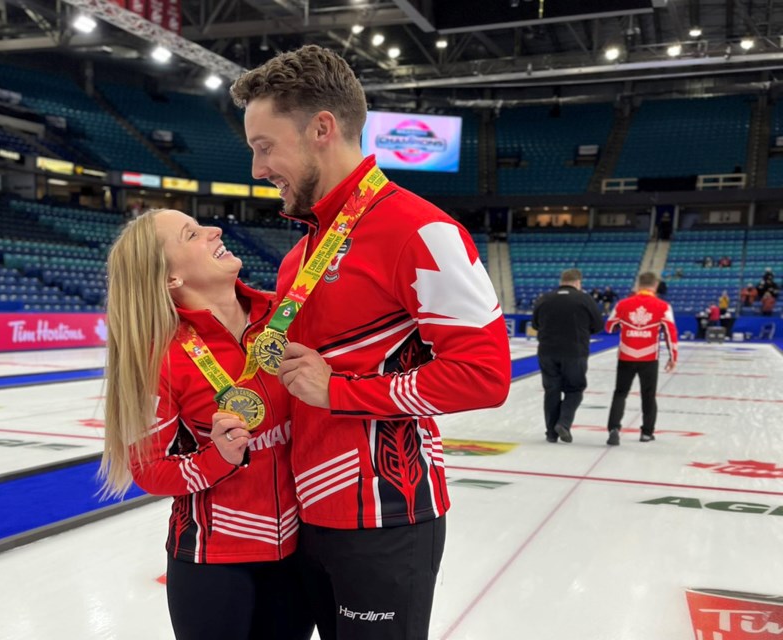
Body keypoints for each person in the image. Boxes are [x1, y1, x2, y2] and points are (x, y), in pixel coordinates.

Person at [230, 44, 511, 640]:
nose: (257, 169)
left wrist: (343, 392)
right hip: (305, 516)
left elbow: (486, 376)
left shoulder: (422, 231)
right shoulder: (300, 253)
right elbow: (299, 376)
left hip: (388, 517)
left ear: (322, 130)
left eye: (264, 146)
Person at [98, 210, 313, 640]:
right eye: (192, 234)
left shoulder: (283, 318)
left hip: (299, 551)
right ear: (170, 279)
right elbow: (150, 470)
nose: (215, 230)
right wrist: (219, 458)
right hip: (213, 562)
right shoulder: (158, 357)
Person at [604, 272, 678, 446]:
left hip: (626, 355)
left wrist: (626, 326)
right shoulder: (663, 306)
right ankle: (646, 432)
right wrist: (673, 357)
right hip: (649, 357)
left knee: (620, 393)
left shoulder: (623, 304)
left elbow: (609, 327)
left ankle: (614, 429)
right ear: (655, 285)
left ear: (638, 285)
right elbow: (670, 333)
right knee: (649, 395)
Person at [531, 269, 603, 444]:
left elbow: (535, 324)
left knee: (551, 391)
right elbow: (598, 325)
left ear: (562, 280)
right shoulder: (584, 299)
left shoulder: (544, 298)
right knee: (574, 390)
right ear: (578, 282)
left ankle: (550, 432)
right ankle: (563, 423)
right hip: (574, 352)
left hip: (547, 351)